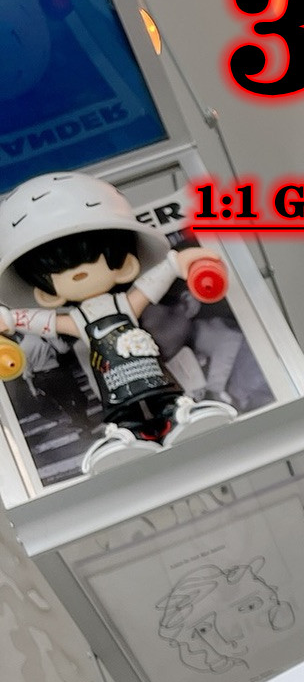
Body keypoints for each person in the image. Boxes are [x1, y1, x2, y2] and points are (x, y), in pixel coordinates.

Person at [0, 169, 235, 471]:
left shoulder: (123, 304)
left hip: (147, 368)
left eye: (90, 260)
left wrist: (178, 263)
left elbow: (150, 286)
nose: (79, 274)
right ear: (46, 294)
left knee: (163, 396)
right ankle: (127, 436)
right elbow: (45, 323)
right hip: (112, 380)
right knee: (123, 410)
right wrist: (9, 318)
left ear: (125, 266)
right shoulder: (79, 318)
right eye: (59, 271)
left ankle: (180, 416)